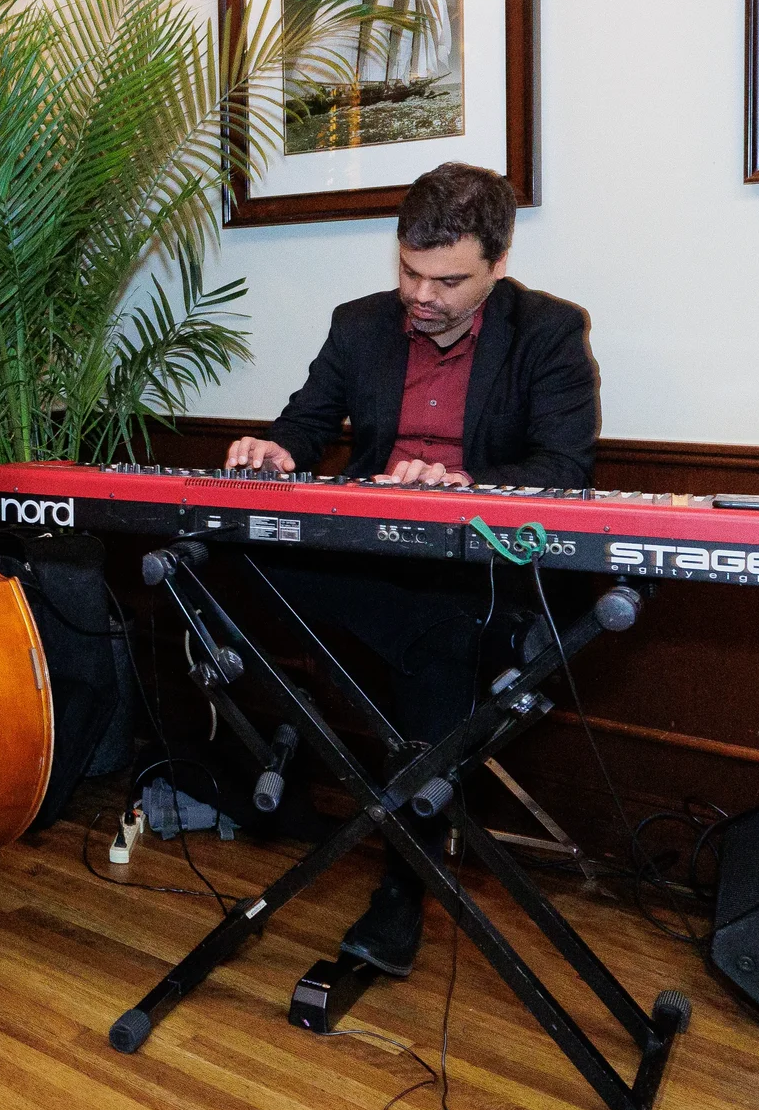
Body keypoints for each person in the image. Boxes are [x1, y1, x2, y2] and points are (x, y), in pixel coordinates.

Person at [221, 161, 598, 978]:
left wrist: (463, 486)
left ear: (498, 265)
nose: (421, 295)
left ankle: (400, 885)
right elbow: (305, 422)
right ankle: (282, 750)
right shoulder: (359, 326)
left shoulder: (550, 333)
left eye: (447, 279)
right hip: (369, 566)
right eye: (408, 271)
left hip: (477, 577)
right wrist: (274, 449)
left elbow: (564, 470)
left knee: (439, 636)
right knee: (208, 553)